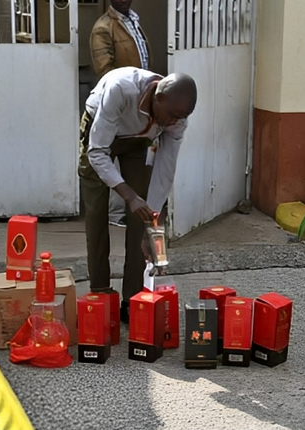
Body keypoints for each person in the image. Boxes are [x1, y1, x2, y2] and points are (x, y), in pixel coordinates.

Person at [78, 67, 197, 323]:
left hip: (139, 140)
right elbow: (97, 153)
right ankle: (100, 294)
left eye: (181, 117)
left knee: (140, 217)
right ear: (158, 97)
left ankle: (131, 299)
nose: (175, 122)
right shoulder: (120, 89)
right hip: (99, 132)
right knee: (97, 211)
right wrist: (128, 195)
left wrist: (150, 221)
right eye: (172, 115)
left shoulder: (177, 118)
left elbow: (165, 170)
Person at [90, 0, 151, 228]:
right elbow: (106, 72)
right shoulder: (103, 27)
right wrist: (126, 96)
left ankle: (127, 212)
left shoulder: (134, 21)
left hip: (139, 99)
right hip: (121, 101)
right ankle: (115, 214)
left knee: (134, 163)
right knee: (110, 158)